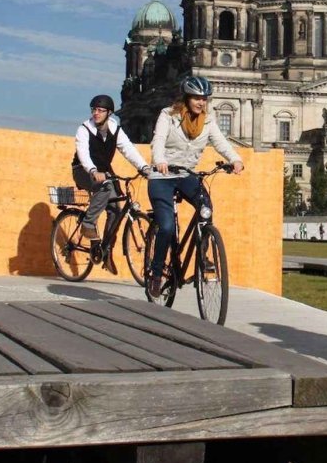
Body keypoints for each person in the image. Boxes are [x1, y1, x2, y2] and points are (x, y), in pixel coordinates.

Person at [146, 75, 244, 297]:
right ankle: (156, 272)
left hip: (186, 175)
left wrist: (235, 159)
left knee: (206, 207)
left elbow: (220, 142)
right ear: (187, 98)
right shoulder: (168, 116)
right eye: (197, 98)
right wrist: (159, 159)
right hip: (162, 177)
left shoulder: (207, 122)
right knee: (168, 226)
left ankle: (203, 252)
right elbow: (158, 140)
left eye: (204, 99)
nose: (201, 103)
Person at [72, 94, 150, 270]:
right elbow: (83, 153)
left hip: (105, 174)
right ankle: (88, 224)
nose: (96, 113)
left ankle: (105, 251)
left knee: (116, 209)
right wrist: (93, 170)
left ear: (109, 113)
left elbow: (128, 149)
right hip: (83, 171)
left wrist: (144, 167)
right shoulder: (84, 129)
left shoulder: (115, 129)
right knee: (106, 187)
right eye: (94, 110)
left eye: (100, 110)